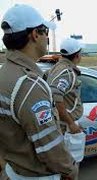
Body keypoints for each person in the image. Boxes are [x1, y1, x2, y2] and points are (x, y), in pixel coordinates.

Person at [0, 4, 77, 180]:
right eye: (46, 33)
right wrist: (70, 170)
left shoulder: (4, 74)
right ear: (35, 34)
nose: (47, 39)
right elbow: (49, 145)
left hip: (13, 170)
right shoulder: (28, 84)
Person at [46, 38, 83, 134]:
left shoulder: (57, 67)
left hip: (62, 124)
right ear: (77, 55)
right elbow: (56, 98)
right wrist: (71, 124)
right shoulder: (66, 72)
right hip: (64, 127)